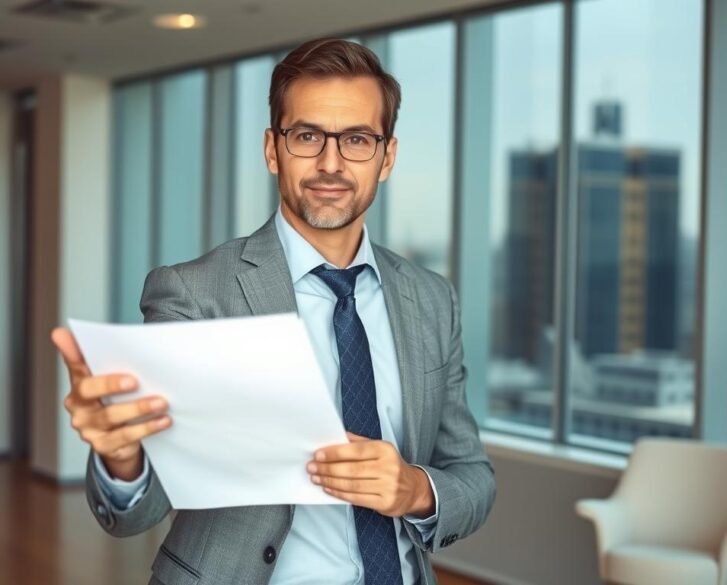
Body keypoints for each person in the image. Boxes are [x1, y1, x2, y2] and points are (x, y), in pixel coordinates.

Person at [51, 38, 495, 585]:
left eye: (357, 139)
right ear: (272, 150)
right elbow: (140, 510)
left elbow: (472, 476)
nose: (330, 163)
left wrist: (415, 489)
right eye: (307, 136)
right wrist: (123, 459)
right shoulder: (195, 293)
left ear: (387, 157)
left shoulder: (431, 299)